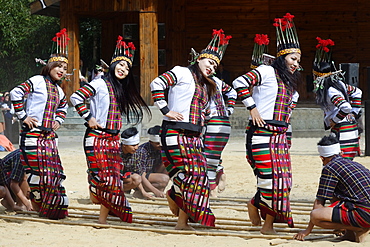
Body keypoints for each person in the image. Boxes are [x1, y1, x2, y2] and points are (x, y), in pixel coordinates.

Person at [151, 29, 231, 230]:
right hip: (174, 133)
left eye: (215, 65)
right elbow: (157, 83)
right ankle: (180, 217)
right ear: (199, 59)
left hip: (195, 137)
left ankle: (177, 206)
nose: (212, 67)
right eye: (209, 62)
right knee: (189, 175)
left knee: (200, 176)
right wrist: (166, 110)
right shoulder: (182, 71)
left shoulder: (207, 85)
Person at [232, 13, 301, 234]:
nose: (296, 64)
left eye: (298, 60)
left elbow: (288, 114)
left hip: (280, 137)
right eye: (293, 59)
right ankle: (266, 224)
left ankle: (254, 204)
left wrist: (287, 139)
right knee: (270, 180)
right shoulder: (266, 71)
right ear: (282, 58)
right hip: (261, 133)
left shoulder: (290, 84)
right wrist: (252, 107)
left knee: (284, 181)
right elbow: (239, 82)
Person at [70, 35, 150, 224]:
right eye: (121, 65)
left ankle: (107, 213)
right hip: (97, 138)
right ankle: (102, 219)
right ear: (113, 65)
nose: (123, 69)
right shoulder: (100, 82)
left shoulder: (119, 89)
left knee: (114, 178)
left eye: (127, 67)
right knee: (105, 178)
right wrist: (89, 117)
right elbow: (76, 97)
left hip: (113, 140)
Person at [10, 29, 69, 219]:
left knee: (54, 172)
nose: (61, 70)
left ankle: (52, 206)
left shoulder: (60, 91)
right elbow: (15, 93)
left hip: (50, 137)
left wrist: (58, 120)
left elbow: (63, 106)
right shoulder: (37, 80)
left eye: (65, 68)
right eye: (58, 66)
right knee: (35, 173)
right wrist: (23, 116)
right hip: (32, 134)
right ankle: (37, 205)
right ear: (50, 66)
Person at [293, 135, 370, 243]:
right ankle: (349, 234)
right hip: (364, 207)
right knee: (335, 196)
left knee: (315, 216)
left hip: (365, 213)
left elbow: (319, 202)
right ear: (340, 153)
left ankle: (358, 228)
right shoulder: (352, 163)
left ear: (322, 158)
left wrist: (307, 230)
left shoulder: (329, 168)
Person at [312, 37, 362, 160]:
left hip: (343, 130)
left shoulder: (331, 91)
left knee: (339, 163)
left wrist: (335, 119)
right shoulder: (340, 85)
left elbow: (345, 107)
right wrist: (354, 113)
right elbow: (357, 92)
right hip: (350, 129)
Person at [204, 75, 236, 197]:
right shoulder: (218, 80)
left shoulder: (199, 80)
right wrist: (230, 109)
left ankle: (212, 188)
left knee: (207, 157)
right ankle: (219, 172)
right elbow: (232, 92)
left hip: (212, 121)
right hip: (224, 122)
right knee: (213, 155)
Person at [122, 125, 169, 199]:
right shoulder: (141, 151)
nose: (136, 147)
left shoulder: (135, 153)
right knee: (136, 178)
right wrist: (154, 191)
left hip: (140, 177)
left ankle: (157, 193)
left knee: (166, 165)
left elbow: (139, 173)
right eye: (133, 145)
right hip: (125, 179)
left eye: (137, 145)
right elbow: (140, 175)